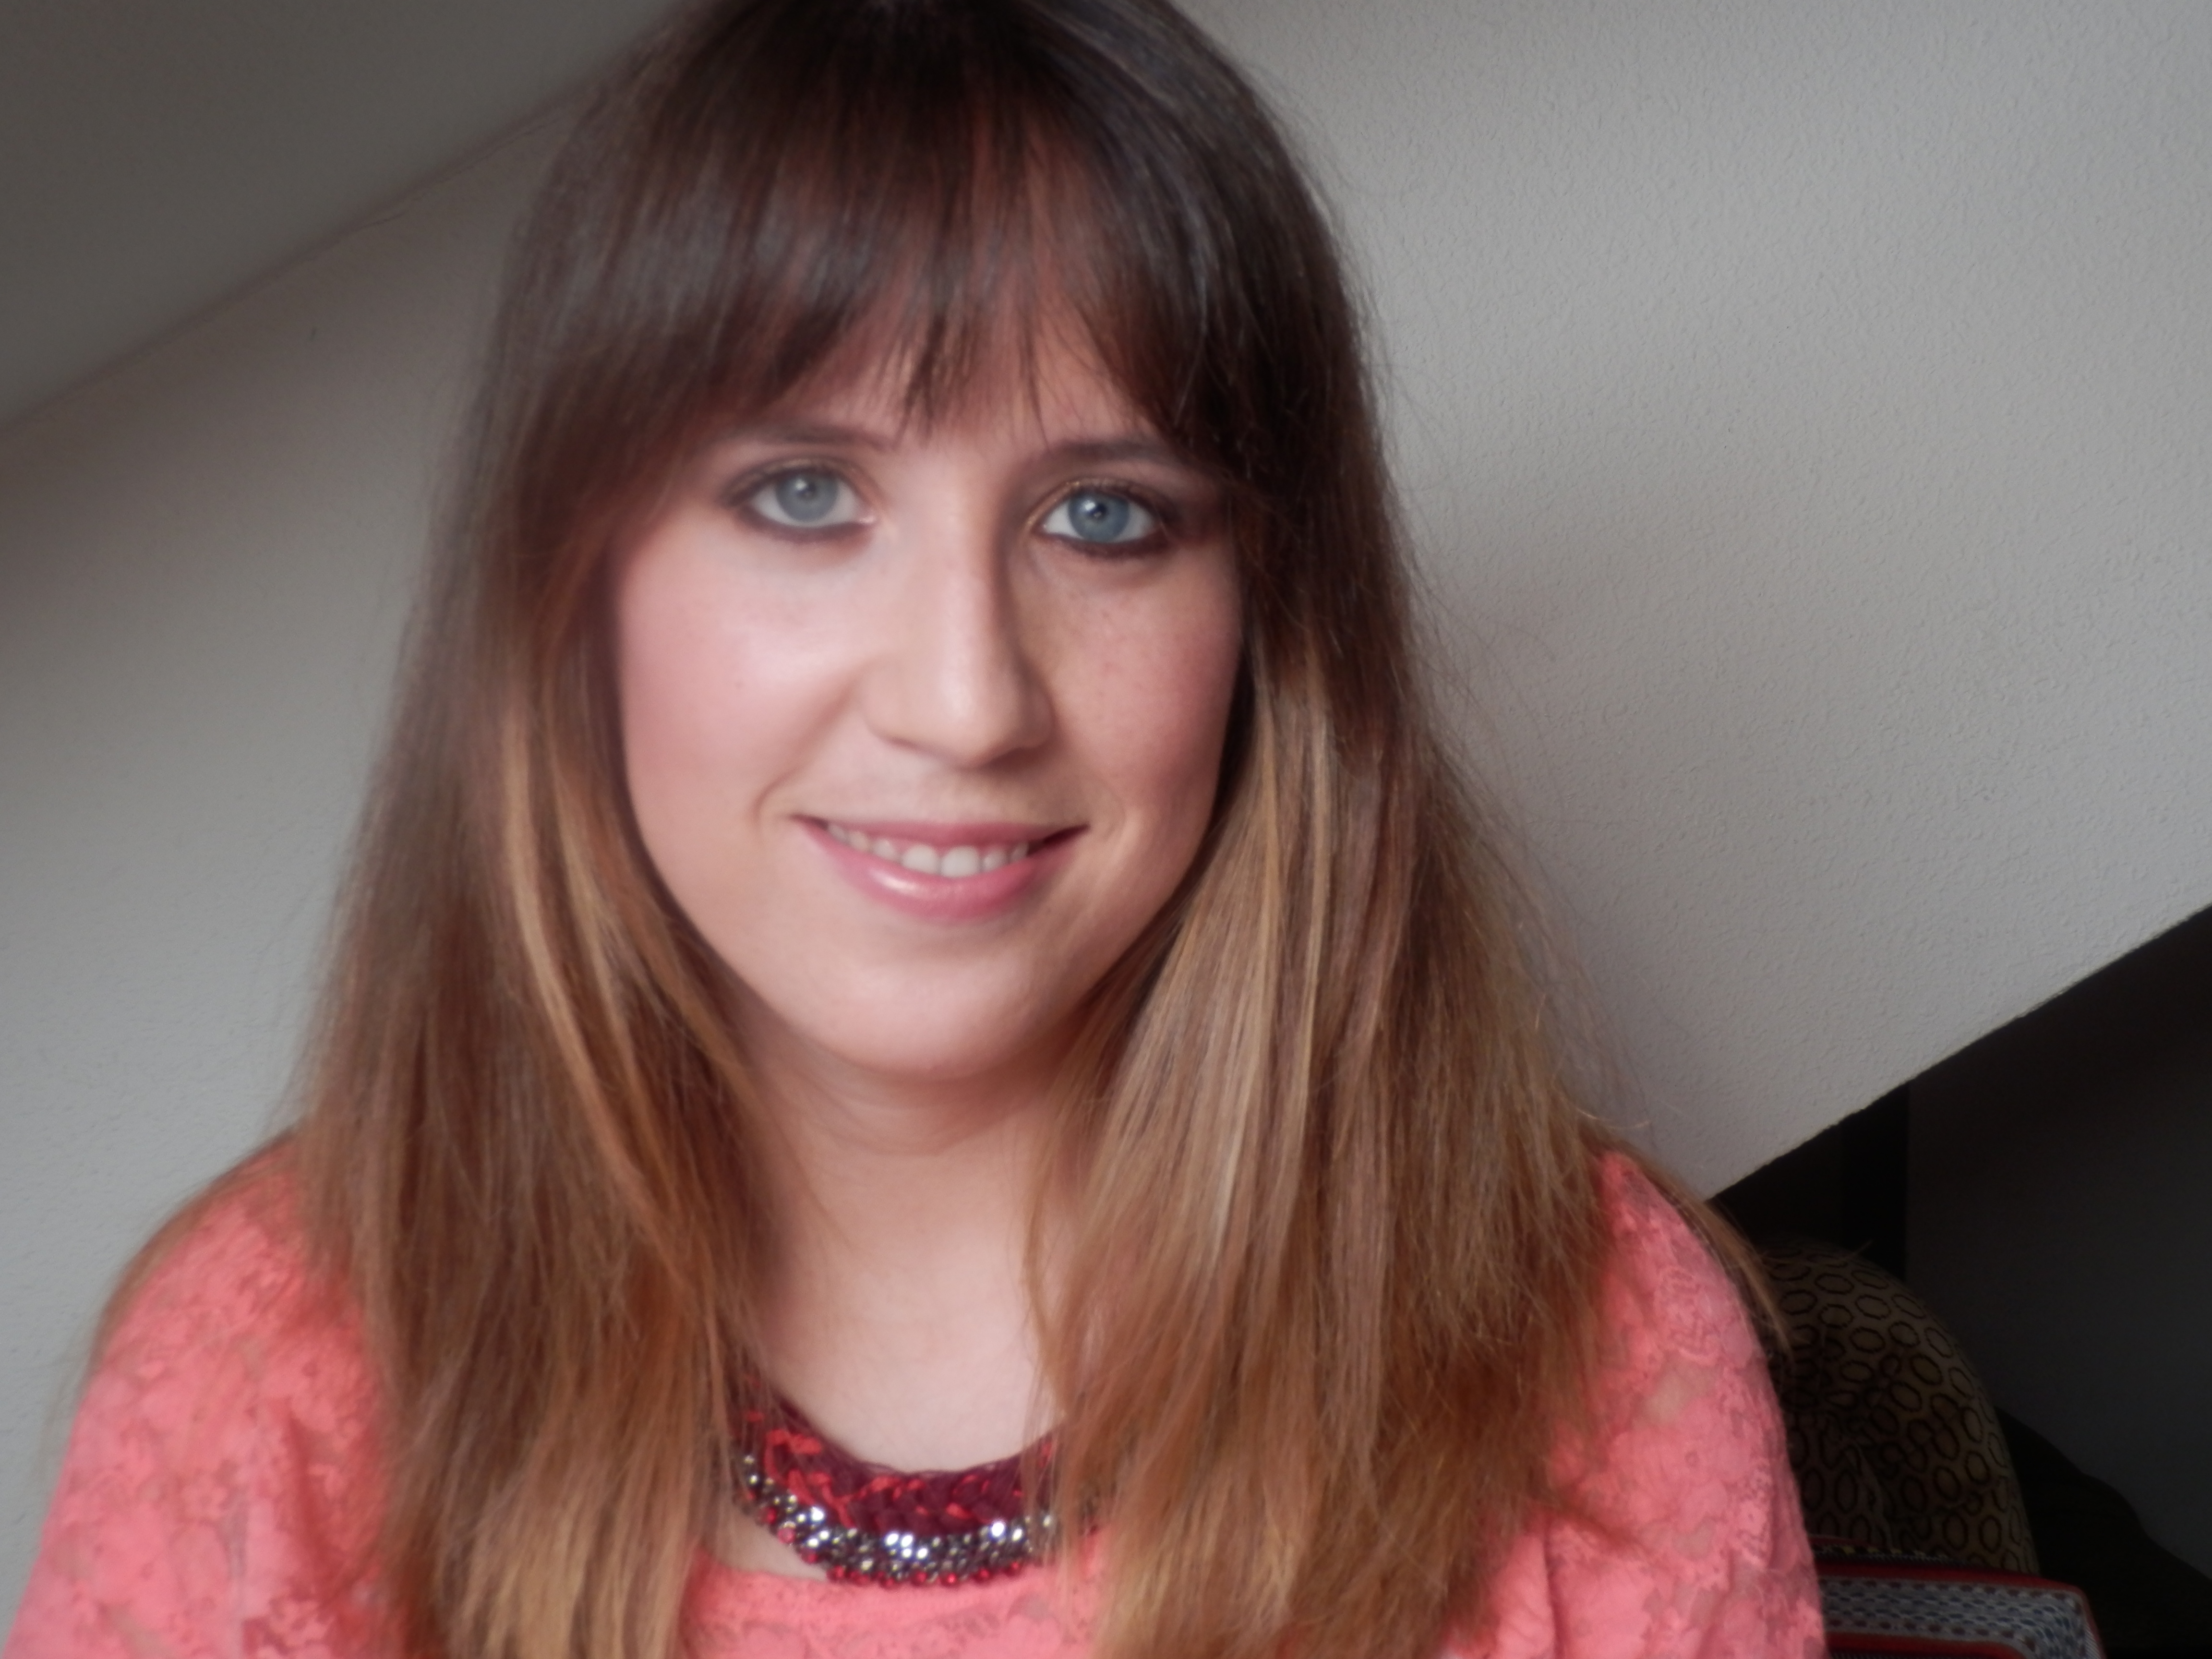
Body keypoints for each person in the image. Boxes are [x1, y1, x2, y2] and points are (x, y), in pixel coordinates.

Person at [6, 0, 1822, 1655]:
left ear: (1272, 628)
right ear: (578, 596)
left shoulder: (1592, 1339)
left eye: (1104, 517)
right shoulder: (269, 1363)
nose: (966, 701)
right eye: (807, 494)